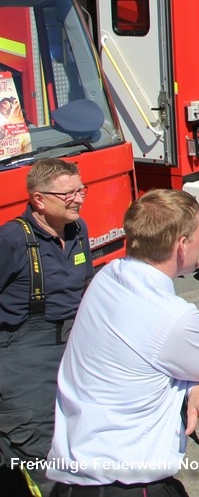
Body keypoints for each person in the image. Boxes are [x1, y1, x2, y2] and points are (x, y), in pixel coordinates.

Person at [47, 189, 199, 494]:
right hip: (129, 484)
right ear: (182, 246)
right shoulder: (173, 316)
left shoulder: (107, 277)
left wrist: (196, 387)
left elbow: (145, 360)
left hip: (74, 479)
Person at [0, 160, 93, 497]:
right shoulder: (11, 239)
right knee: (43, 450)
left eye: (81, 190)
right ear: (39, 200)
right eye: (69, 194)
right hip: (23, 355)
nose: (79, 199)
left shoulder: (78, 229)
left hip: (71, 346)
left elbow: (87, 286)